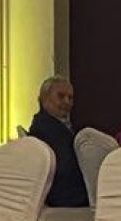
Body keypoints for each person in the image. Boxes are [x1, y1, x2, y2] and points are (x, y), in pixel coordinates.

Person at [27, 76, 88, 207]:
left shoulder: (47, 126)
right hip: (67, 199)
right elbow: (67, 171)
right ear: (44, 99)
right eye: (61, 96)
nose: (67, 102)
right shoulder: (47, 130)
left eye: (70, 98)